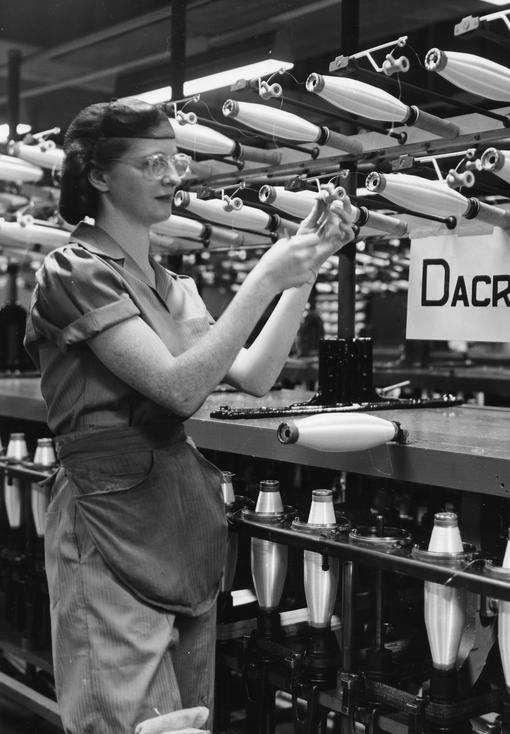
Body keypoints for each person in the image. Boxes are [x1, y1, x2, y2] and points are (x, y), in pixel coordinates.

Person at [24, 97, 355, 734]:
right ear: (99, 175)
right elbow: (178, 391)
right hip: (106, 515)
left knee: (186, 721)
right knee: (122, 720)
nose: (174, 176)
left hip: (179, 519)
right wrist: (263, 277)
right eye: (153, 163)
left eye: (177, 160)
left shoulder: (173, 286)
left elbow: (254, 375)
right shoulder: (73, 270)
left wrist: (303, 269)